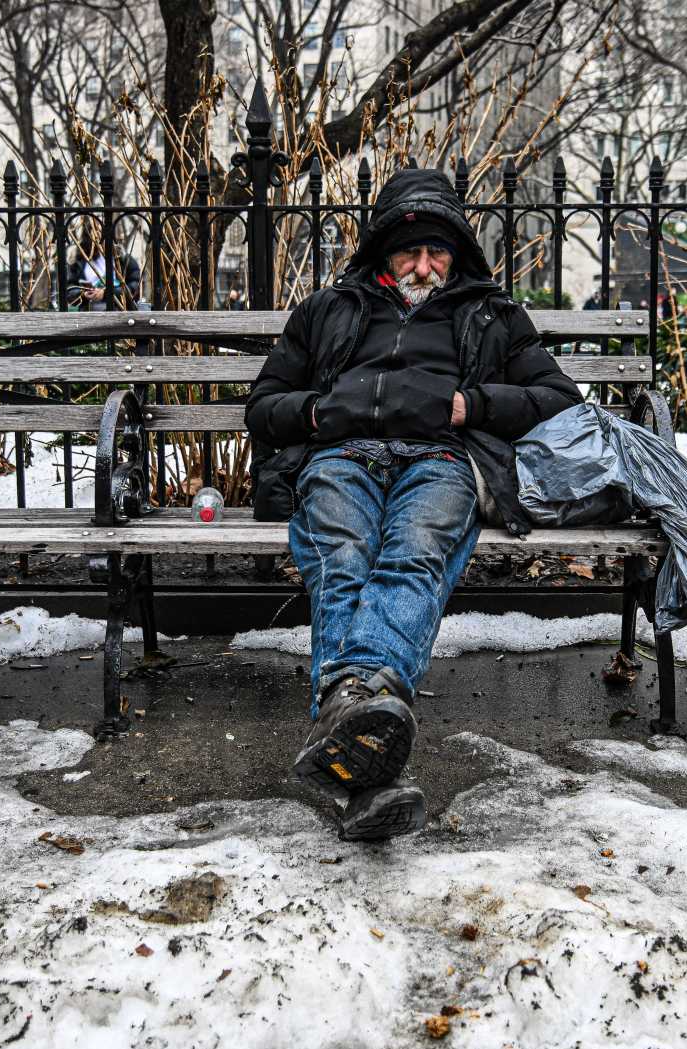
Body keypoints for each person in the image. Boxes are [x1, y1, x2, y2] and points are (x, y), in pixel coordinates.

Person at [245, 168, 581, 841]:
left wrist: (471, 404)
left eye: (437, 252)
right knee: (343, 558)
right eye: (410, 252)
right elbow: (262, 407)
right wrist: (317, 413)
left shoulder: (492, 315)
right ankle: (368, 758)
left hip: (442, 458)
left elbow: (560, 401)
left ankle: (349, 715)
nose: (423, 265)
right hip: (341, 455)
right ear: (383, 253)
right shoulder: (329, 311)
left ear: (456, 255)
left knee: (414, 552)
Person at [63, 223, 141, 310]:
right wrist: (83, 294)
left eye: (102, 231)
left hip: (119, 311)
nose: (99, 235)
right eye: (96, 231)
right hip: (88, 313)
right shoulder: (77, 259)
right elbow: (69, 289)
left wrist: (106, 293)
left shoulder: (123, 258)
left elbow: (134, 288)